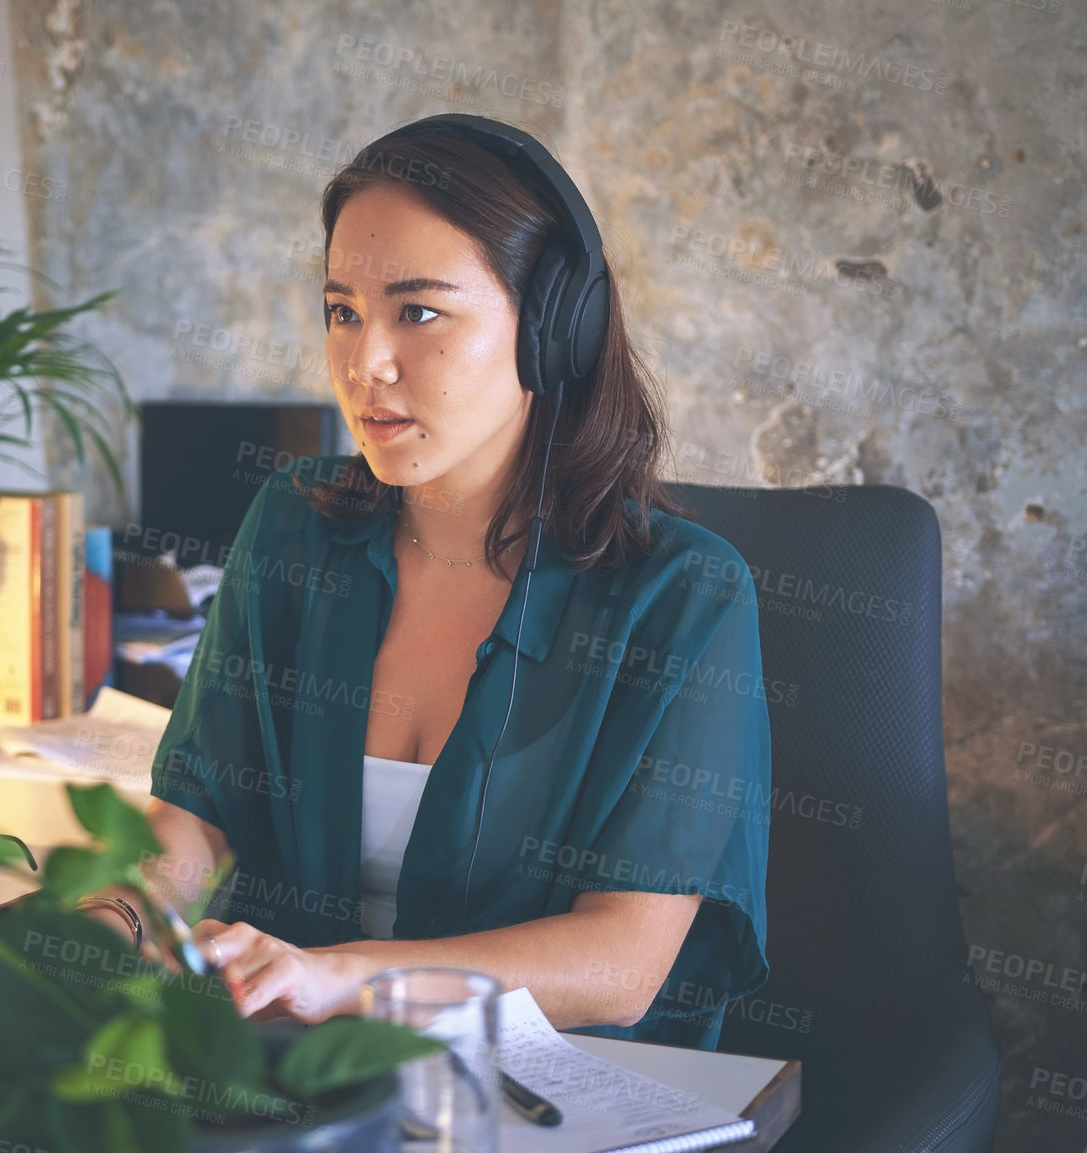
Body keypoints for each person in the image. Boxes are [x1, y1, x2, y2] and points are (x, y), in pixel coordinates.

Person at [91, 115, 771, 1049]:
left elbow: (621, 963)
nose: (365, 361)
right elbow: (198, 814)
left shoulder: (686, 595)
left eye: (418, 311)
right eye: (342, 310)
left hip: (550, 1096)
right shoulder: (294, 527)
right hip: (295, 1069)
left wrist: (342, 977)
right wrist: (110, 924)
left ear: (550, 330)